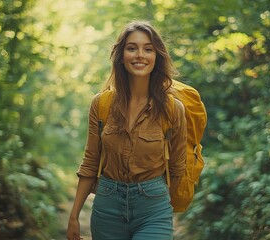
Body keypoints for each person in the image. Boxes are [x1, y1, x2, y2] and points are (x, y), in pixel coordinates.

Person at [66, 20, 187, 240]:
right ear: (121, 56)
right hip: (107, 207)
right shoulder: (101, 104)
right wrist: (74, 215)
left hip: (153, 209)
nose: (140, 54)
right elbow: (91, 162)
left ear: (156, 56)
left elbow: (177, 167)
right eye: (132, 48)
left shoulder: (172, 109)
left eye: (148, 49)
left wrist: (157, 202)